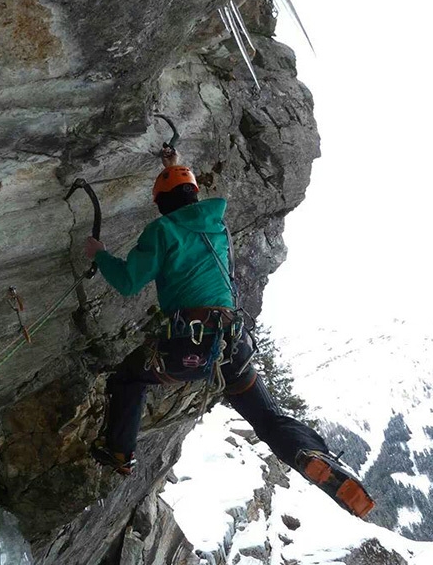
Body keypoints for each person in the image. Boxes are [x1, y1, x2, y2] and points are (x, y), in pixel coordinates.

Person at [84, 151, 375, 518]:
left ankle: (120, 453)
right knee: (268, 419)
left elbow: (128, 281)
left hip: (190, 347)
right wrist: (173, 165)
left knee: (129, 377)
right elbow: (182, 199)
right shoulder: (217, 227)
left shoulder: (162, 230)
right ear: (194, 194)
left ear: (160, 205)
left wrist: (100, 255)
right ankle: (312, 455)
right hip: (232, 344)